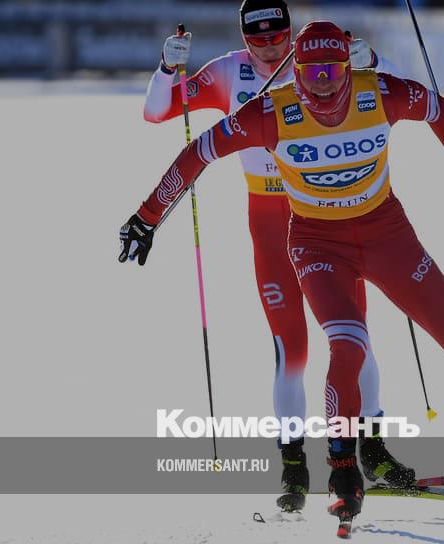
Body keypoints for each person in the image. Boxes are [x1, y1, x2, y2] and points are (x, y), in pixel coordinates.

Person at [120, 20, 444, 522]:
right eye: (310, 72)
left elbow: (435, 107)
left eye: (332, 70)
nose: (322, 84)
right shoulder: (271, 111)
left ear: (349, 67)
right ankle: (343, 470)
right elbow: (197, 153)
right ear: (295, 71)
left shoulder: (379, 93)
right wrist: (147, 218)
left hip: (388, 236)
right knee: (348, 345)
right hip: (318, 244)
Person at [139, 0, 411, 512]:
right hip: (269, 223)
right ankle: (293, 467)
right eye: (257, 39)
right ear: (244, 37)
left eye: (278, 37)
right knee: (293, 351)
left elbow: (401, 92)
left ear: (290, 31)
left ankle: (372, 451)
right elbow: (157, 112)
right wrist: (166, 70)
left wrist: (371, 60)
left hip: (330, 216)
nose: (269, 48)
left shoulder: (321, 63)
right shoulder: (227, 72)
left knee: (355, 341)